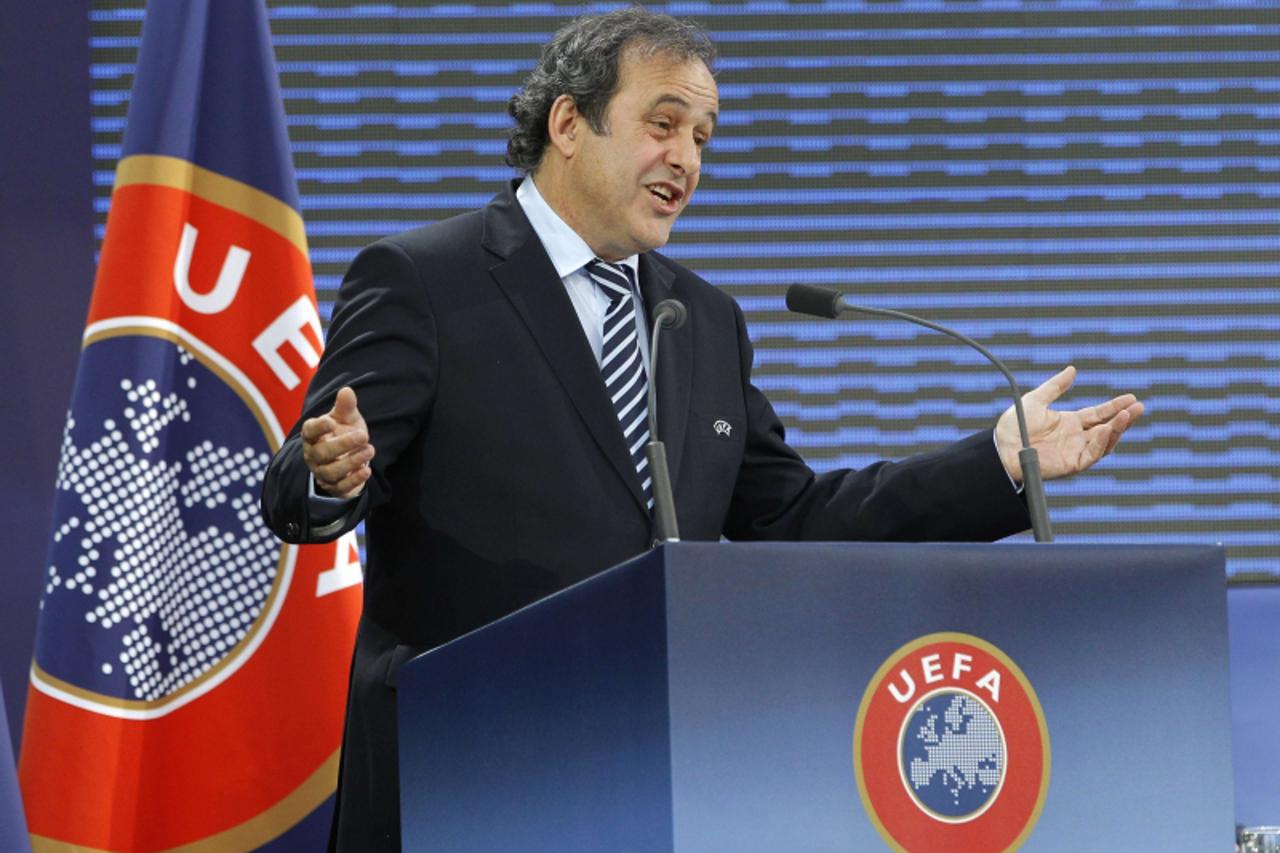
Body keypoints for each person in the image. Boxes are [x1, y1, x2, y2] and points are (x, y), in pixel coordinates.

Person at [260, 8, 1143, 850]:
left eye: (702, 138)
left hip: (655, 772)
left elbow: (791, 516)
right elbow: (312, 475)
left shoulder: (700, 318)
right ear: (568, 124)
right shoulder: (423, 279)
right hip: (466, 767)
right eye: (664, 124)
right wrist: (329, 473)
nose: (685, 158)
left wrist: (998, 463)